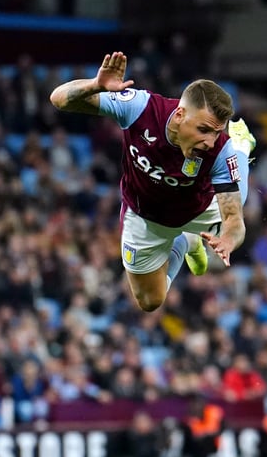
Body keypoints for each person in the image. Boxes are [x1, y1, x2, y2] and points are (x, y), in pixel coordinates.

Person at [49, 51, 256, 312]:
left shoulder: (219, 150)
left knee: (238, 189)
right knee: (150, 302)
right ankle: (185, 241)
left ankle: (242, 146)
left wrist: (227, 239)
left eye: (217, 132)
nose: (210, 142)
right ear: (180, 115)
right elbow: (58, 99)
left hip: (199, 211)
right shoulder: (140, 109)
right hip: (146, 217)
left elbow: (235, 220)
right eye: (203, 130)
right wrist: (94, 86)